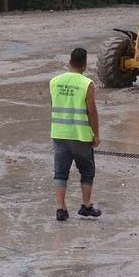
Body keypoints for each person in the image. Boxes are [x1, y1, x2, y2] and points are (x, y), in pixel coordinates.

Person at [49, 48, 101, 221]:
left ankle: (61, 209)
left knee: (60, 173)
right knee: (87, 170)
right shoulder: (87, 83)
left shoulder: (54, 81)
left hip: (59, 133)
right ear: (84, 64)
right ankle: (86, 205)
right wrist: (96, 134)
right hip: (80, 135)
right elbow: (92, 111)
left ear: (69, 62)